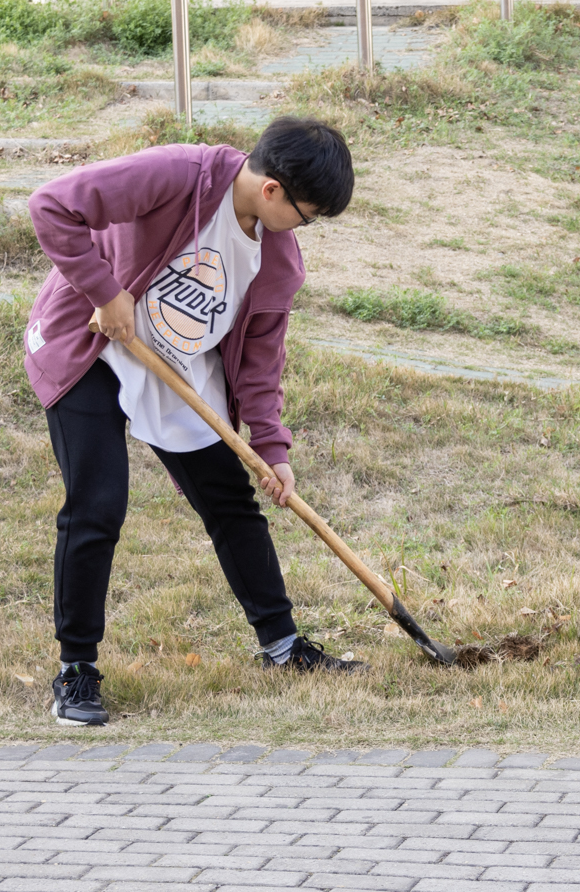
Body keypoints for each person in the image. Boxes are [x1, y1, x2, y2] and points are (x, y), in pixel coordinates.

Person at [24, 117, 366, 727]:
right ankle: (76, 669)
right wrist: (106, 292)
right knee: (97, 503)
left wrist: (273, 449)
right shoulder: (178, 175)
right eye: (308, 215)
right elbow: (51, 206)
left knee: (232, 501)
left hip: (176, 363)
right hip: (94, 342)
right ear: (272, 191)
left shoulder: (278, 262)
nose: (305, 230)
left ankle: (283, 647)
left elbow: (261, 367)